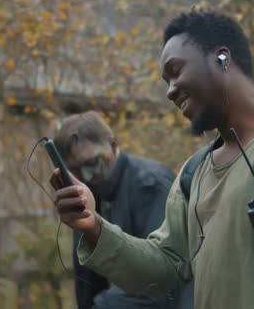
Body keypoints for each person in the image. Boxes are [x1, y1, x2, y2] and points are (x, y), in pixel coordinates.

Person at [51, 10, 254, 309]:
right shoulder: (194, 173)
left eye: (176, 70)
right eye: (165, 81)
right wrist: (93, 226)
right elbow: (163, 267)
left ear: (222, 59)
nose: (170, 91)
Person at [52, 111, 193, 309]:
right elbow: (88, 284)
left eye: (93, 162)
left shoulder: (150, 185)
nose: (87, 175)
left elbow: (163, 282)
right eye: (75, 170)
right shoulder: (89, 192)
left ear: (112, 143)